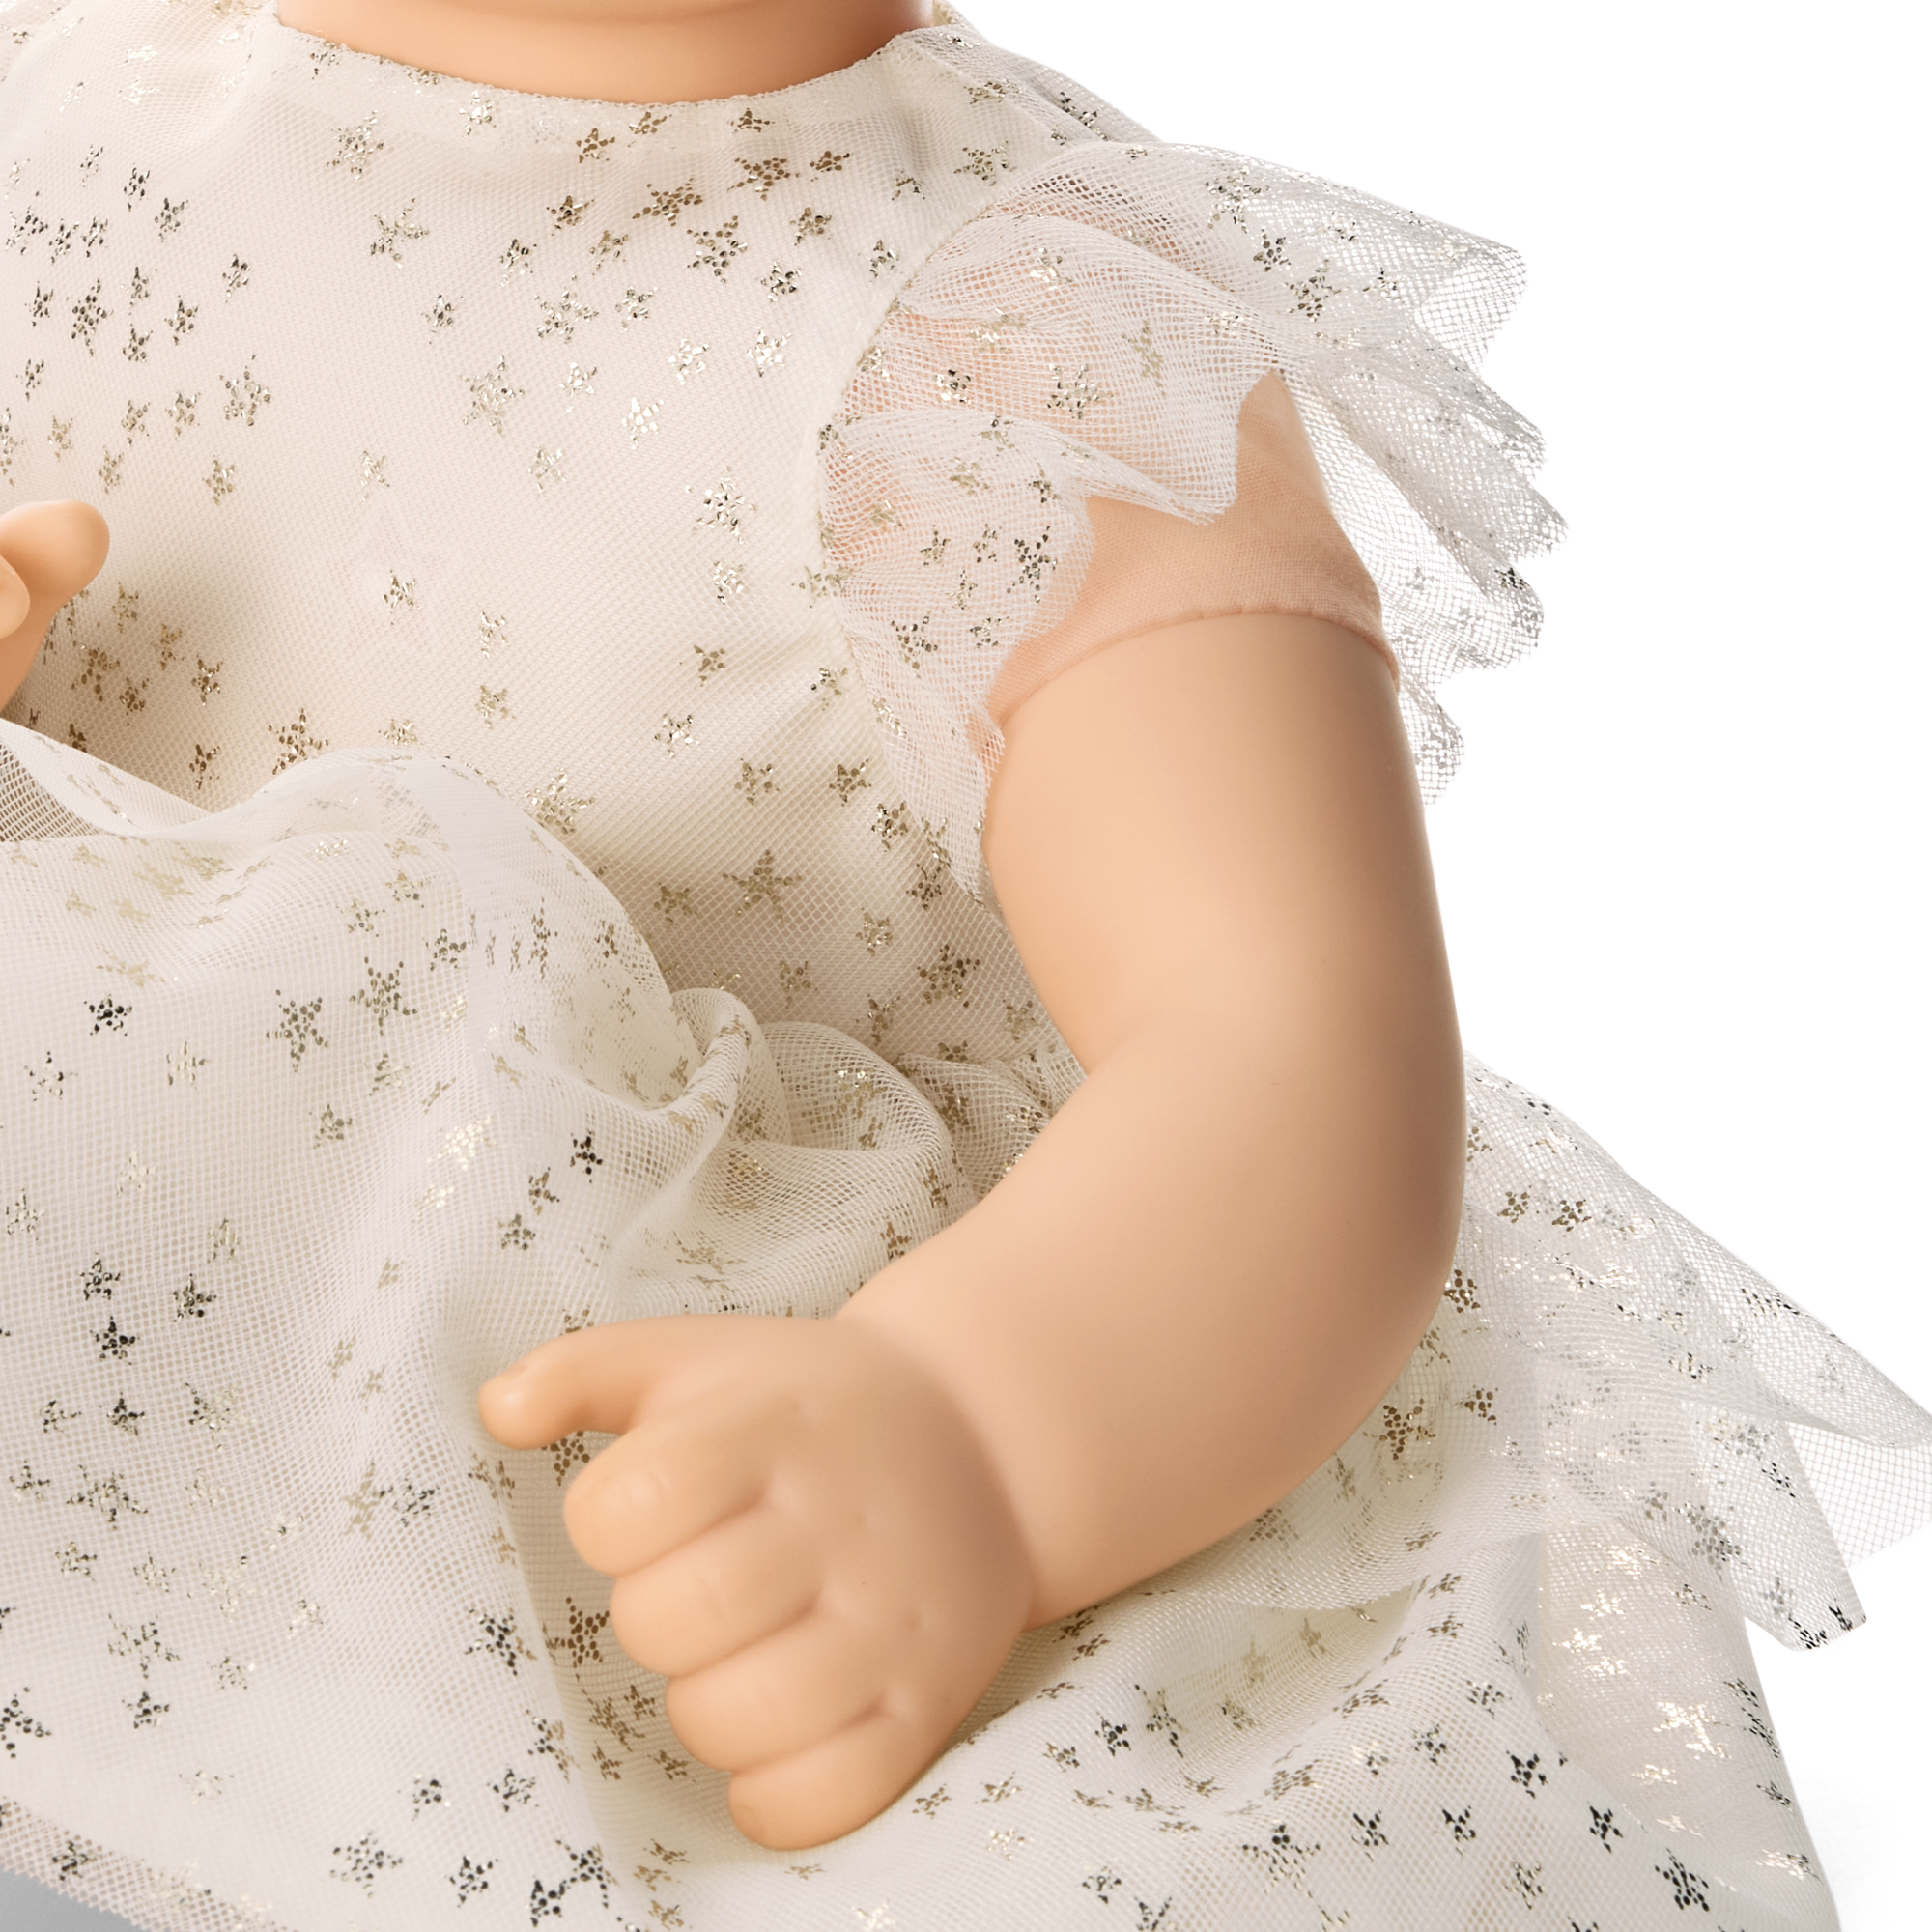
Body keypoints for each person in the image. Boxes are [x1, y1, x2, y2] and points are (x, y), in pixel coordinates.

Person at [2, 3, 1925, 1925]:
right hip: (169, 1311)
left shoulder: (1005, 337)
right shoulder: (69, 96)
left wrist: (980, 1432)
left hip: (740, 1436)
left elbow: (1285, 1045)